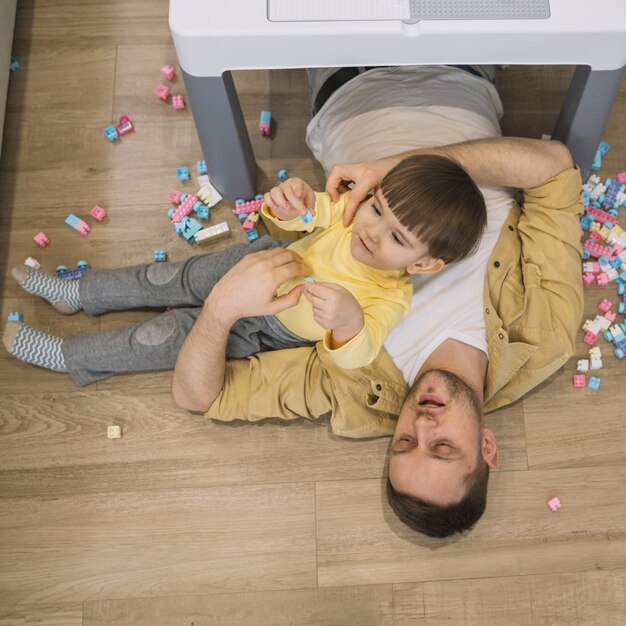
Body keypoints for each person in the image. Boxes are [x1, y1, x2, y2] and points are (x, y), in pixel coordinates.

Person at [171, 66, 584, 538]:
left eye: (405, 442)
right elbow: (553, 166)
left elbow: (201, 396)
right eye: (443, 447)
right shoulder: (544, 333)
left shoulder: (357, 393)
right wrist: (397, 169)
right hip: (460, 67)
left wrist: (221, 306)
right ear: (488, 447)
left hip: (346, 79)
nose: (424, 424)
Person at [3, 154, 485, 381]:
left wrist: (349, 322)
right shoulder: (350, 214)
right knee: (162, 277)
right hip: (248, 262)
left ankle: (72, 356)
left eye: (397, 238)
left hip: (265, 326)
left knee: (165, 338)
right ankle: (80, 293)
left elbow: (355, 354)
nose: (372, 230)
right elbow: (301, 213)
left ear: (423, 264)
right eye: (377, 207)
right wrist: (286, 202)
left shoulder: (390, 297)